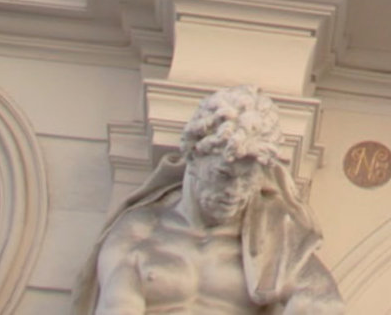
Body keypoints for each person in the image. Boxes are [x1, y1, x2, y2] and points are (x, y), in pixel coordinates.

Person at [77, 87, 342, 315]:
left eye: (247, 180)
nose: (234, 191)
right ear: (193, 157)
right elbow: (117, 307)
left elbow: (324, 304)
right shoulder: (140, 230)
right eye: (224, 175)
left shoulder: (274, 241)